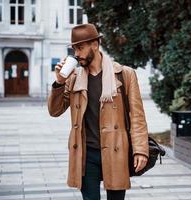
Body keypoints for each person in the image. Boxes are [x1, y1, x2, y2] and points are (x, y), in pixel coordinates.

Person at [48, 24, 149, 200]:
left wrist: (140, 150)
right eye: (74, 49)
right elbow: (55, 111)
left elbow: (137, 117)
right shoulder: (73, 78)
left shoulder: (124, 75)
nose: (76, 54)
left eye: (80, 48)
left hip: (116, 150)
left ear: (94, 45)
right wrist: (59, 82)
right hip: (86, 154)